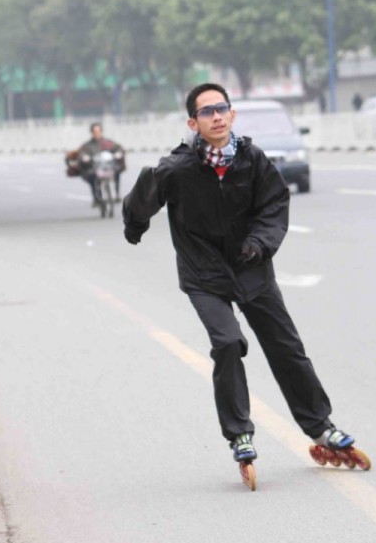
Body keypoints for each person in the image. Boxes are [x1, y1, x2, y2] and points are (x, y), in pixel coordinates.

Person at [122, 83, 356, 464]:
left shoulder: (253, 160)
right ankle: (240, 434)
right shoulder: (178, 168)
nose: (216, 117)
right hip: (204, 276)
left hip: (251, 268)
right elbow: (145, 192)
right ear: (193, 123)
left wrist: (259, 244)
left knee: (286, 346)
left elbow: (274, 204)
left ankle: (320, 426)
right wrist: (135, 224)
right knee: (228, 343)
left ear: (232, 114)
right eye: (206, 112)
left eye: (221, 109)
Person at [78, 122, 125, 205]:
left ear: (101, 131)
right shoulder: (87, 145)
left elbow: (118, 148)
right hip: (95, 167)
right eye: (95, 131)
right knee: (92, 176)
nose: (97, 133)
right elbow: (82, 153)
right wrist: (85, 158)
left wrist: (119, 153)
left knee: (117, 171)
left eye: (98, 131)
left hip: (109, 166)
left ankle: (117, 194)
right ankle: (96, 198)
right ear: (92, 132)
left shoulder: (108, 142)